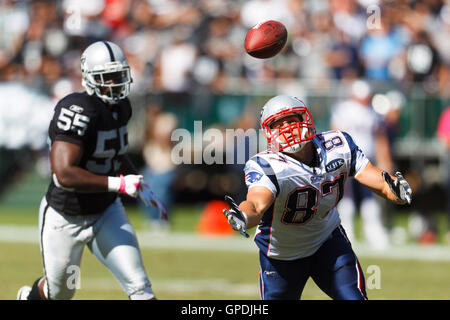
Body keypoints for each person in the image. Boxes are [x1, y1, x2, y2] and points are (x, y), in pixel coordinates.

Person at [222, 95, 412, 300]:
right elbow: (256, 204)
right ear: (269, 132)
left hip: (327, 242)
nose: (287, 128)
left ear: (305, 119)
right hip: (281, 256)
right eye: (279, 124)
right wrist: (243, 214)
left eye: (291, 120)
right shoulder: (267, 165)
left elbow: (377, 179)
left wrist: (395, 190)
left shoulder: (338, 146)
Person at [16, 41, 165, 300]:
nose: (115, 83)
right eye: (107, 78)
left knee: (140, 287)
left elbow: (113, 154)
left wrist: (138, 182)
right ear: (89, 78)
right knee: (60, 293)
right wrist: (118, 184)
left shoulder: (122, 107)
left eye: (119, 76)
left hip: (106, 212)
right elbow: (64, 174)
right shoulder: (77, 109)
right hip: (66, 216)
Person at [330, 80, 393, 249]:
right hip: (347, 159)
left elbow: (380, 137)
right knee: (346, 197)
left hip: (366, 161)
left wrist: (385, 159)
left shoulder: (372, 111)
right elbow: (335, 132)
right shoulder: (344, 110)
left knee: (368, 196)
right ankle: (347, 231)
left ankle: (372, 231)